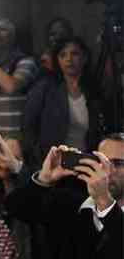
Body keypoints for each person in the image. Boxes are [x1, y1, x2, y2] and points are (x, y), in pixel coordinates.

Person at [6, 134, 124, 259]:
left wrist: (105, 203)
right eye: (101, 161)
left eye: (118, 163)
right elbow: (17, 208)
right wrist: (44, 179)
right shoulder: (72, 201)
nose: (108, 171)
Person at [24, 36, 106, 169]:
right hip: (52, 162)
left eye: (75, 54)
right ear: (57, 60)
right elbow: (28, 127)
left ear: (84, 58)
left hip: (86, 162)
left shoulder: (93, 90)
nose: (69, 59)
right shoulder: (44, 88)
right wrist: (39, 157)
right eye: (63, 55)